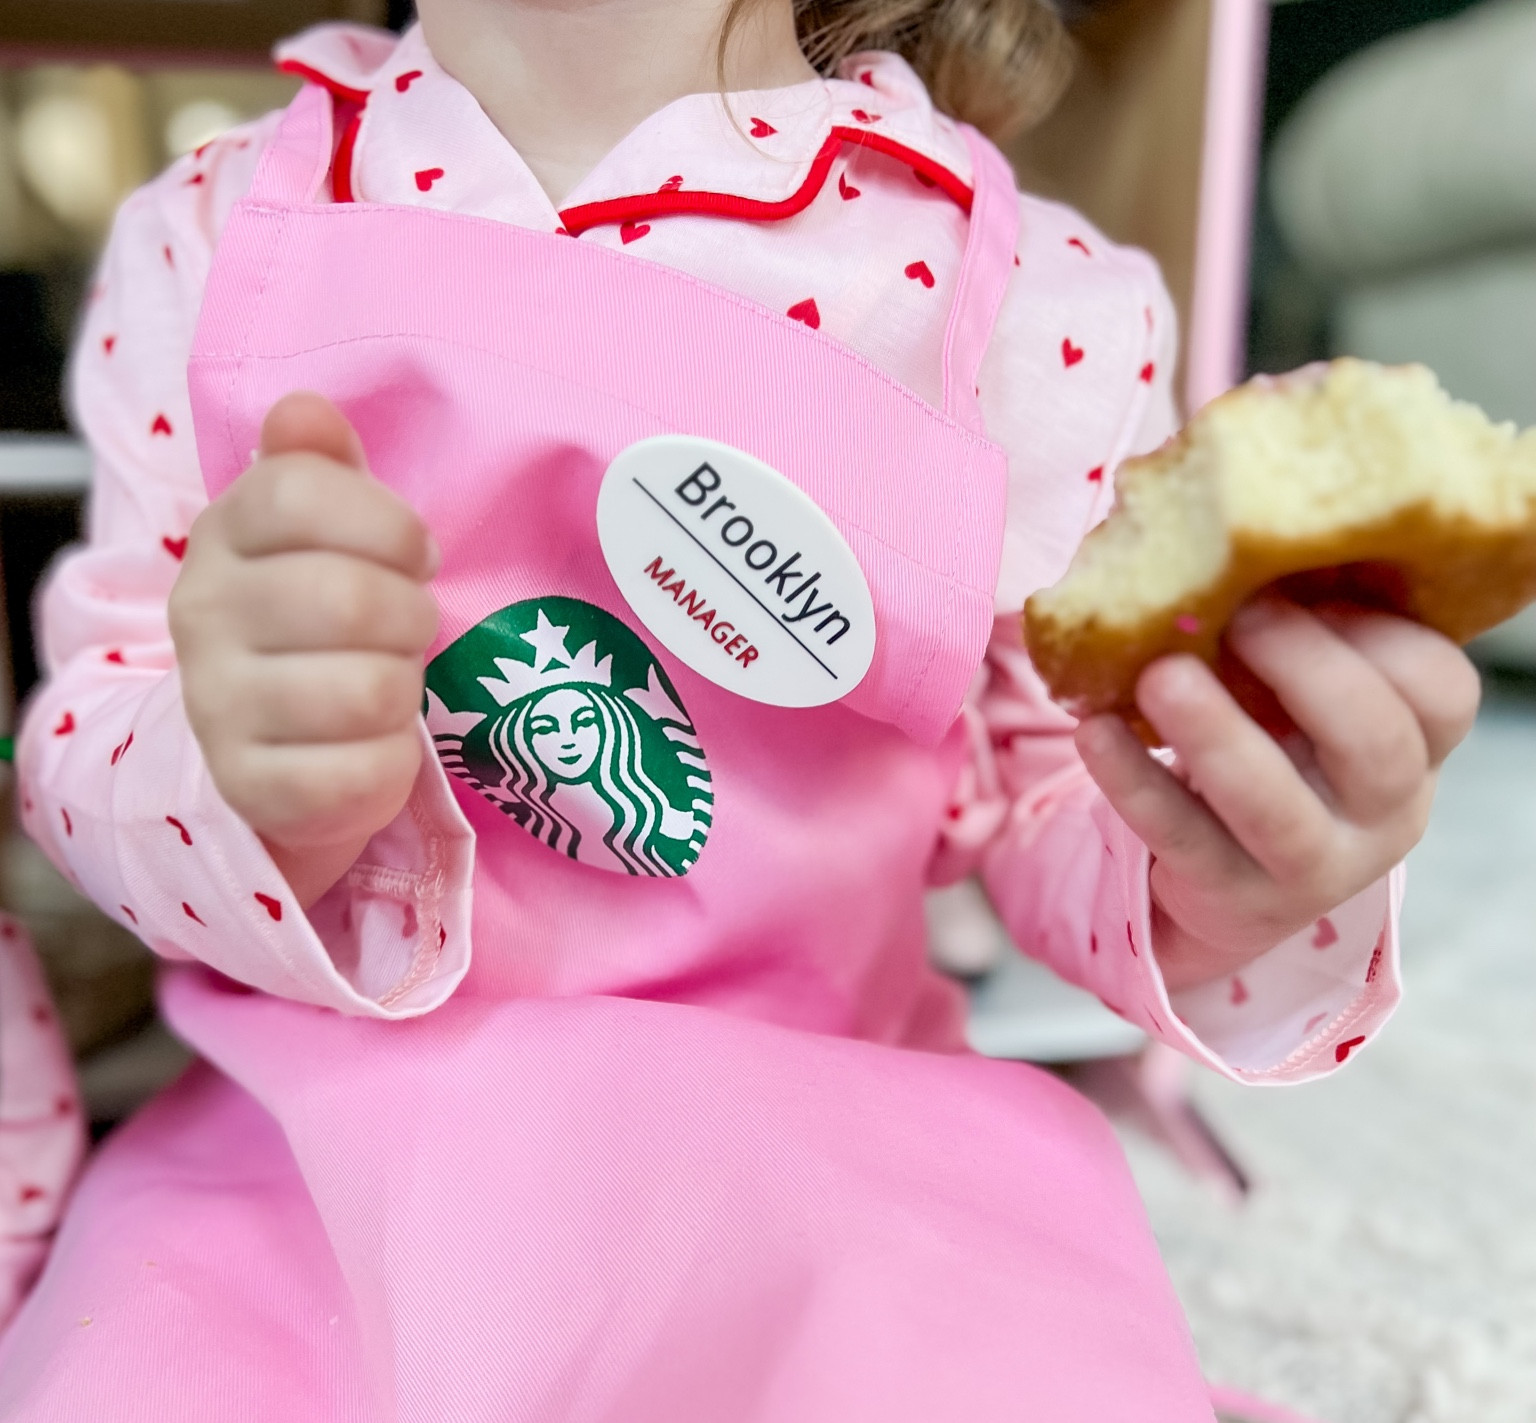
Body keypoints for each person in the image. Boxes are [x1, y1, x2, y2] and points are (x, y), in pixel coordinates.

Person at [0, 1, 1479, 1418]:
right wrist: (231, 777)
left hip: (826, 1143)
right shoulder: (215, 230)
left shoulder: (1036, 307)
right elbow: (88, 735)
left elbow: (1047, 787)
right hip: (312, 1165)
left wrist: (1224, 872)